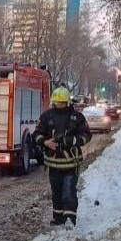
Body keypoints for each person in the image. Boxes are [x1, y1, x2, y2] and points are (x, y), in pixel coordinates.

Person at [33, 87, 92, 228]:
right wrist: (45, 142)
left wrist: (70, 141)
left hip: (71, 163)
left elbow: (86, 135)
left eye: (61, 103)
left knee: (69, 191)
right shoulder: (46, 116)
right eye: (56, 102)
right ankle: (58, 217)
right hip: (53, 164)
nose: (58, 105)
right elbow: (36, 134)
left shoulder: (77, 117)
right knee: (56, 192)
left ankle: (70, 218)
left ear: (67, 102)